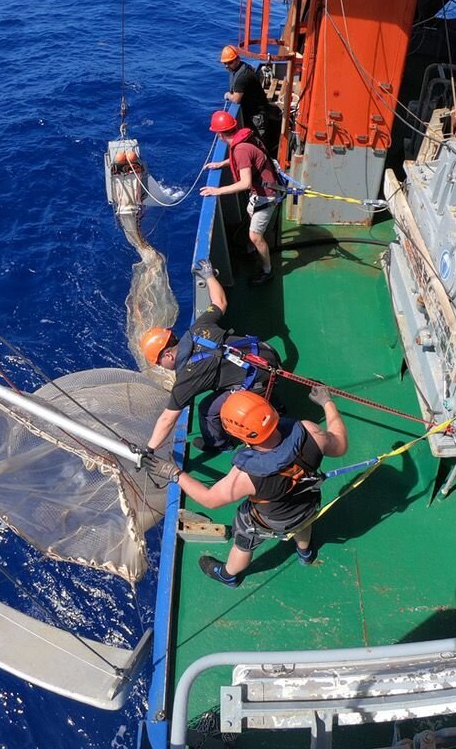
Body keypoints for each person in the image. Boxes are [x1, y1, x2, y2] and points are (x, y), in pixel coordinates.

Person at [142, 387, 347, 586]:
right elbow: (340, 445)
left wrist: (174, 473)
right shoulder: (310, 431)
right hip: (307, 504)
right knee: (302, 523)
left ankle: (228, 575)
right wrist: (327, 403)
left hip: (271, 520)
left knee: (245, 537)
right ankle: (306, 553)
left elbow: (210, 500)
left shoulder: (246, 475)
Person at [140, 260, 281, 454]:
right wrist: (209, 276)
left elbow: (167, 419)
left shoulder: (186, 379)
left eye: (159, 362)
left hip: (260, 378)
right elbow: (220, 302)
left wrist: (149, 449)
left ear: (167, 355)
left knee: (207, 410)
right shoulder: (199, 327)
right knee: (240, 374)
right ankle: (273, 398)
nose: (161, 366)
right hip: (268, 354)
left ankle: (219, 444)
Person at [202, 110, 279, 286]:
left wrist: (217, 190)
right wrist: (221, 164)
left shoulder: (240, 149)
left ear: (220, 134)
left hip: (266, 196)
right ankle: (252, 251)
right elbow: (243, 160)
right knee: (252, 217)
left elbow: (245, 183)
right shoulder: (242, 141)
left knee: (255, 236)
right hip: (261, 193)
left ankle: (267, 271)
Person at [220, 45, 281, 156]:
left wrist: (228, 95)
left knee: (259, 144)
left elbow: (236, 99)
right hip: (256, 112)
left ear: (237, 59)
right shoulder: (244, 68)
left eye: (229, 62)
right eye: (225, 63)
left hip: (257, 116)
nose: (226, 66)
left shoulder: (242, 77)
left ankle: (265, 163)